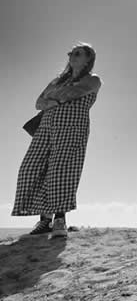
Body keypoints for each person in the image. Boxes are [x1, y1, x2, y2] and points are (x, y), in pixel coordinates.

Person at [13, 43, 102, 238]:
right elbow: (38, 103)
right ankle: (44, 221)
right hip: (45, 128)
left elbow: (74, 93)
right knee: (31, 169)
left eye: (77, 53)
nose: (72, 56)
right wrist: (54, 98)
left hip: (72, 128)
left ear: (88, 59)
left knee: (61, 170)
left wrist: (53, 98)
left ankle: (59, 220)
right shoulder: (58, 80)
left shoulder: (93, 80)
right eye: (71, 53)